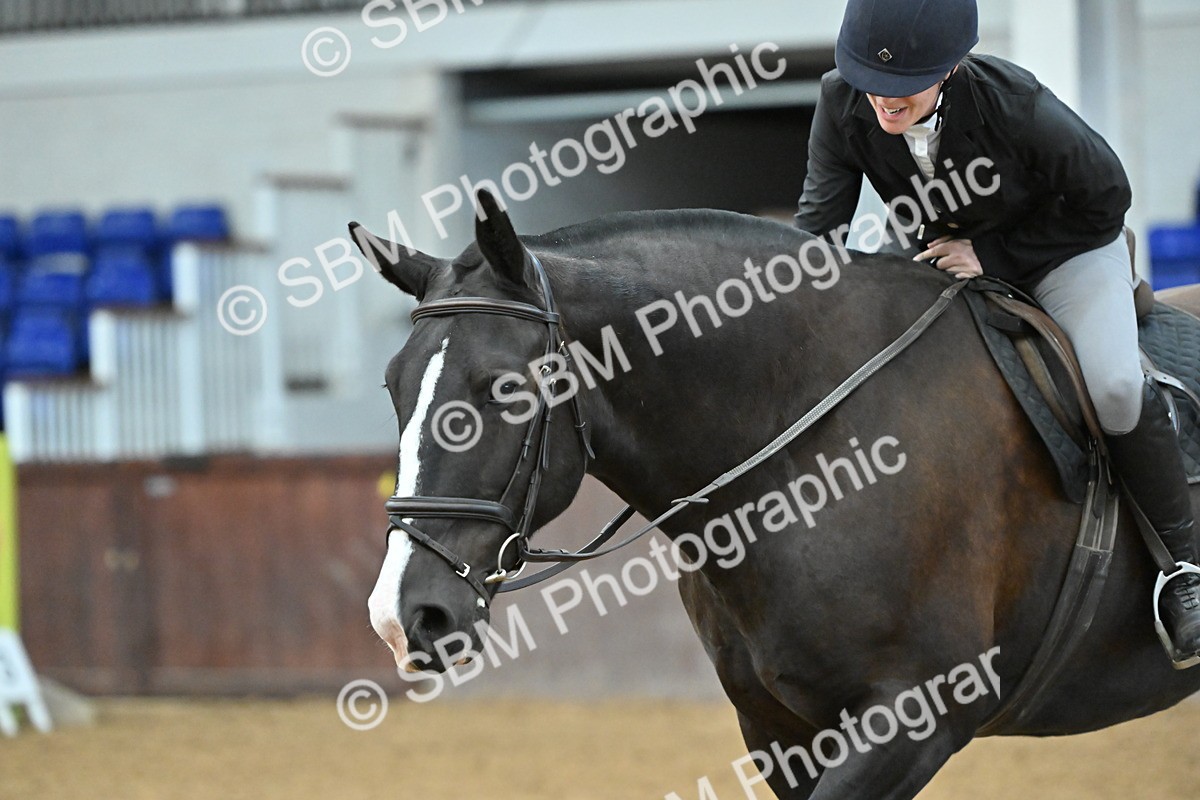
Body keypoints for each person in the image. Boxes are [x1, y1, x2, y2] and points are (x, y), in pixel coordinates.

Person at [795, 0, 1200, 661]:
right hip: (943, 250)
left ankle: (1183, 573)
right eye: (870, 79)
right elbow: (819, 233)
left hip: (1065, 247)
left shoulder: (1016, 104)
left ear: (950, 68)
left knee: (1116, 385)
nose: (884, 101)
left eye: (904, 86)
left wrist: (995, 257)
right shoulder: (841, 102)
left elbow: (1107, 198)